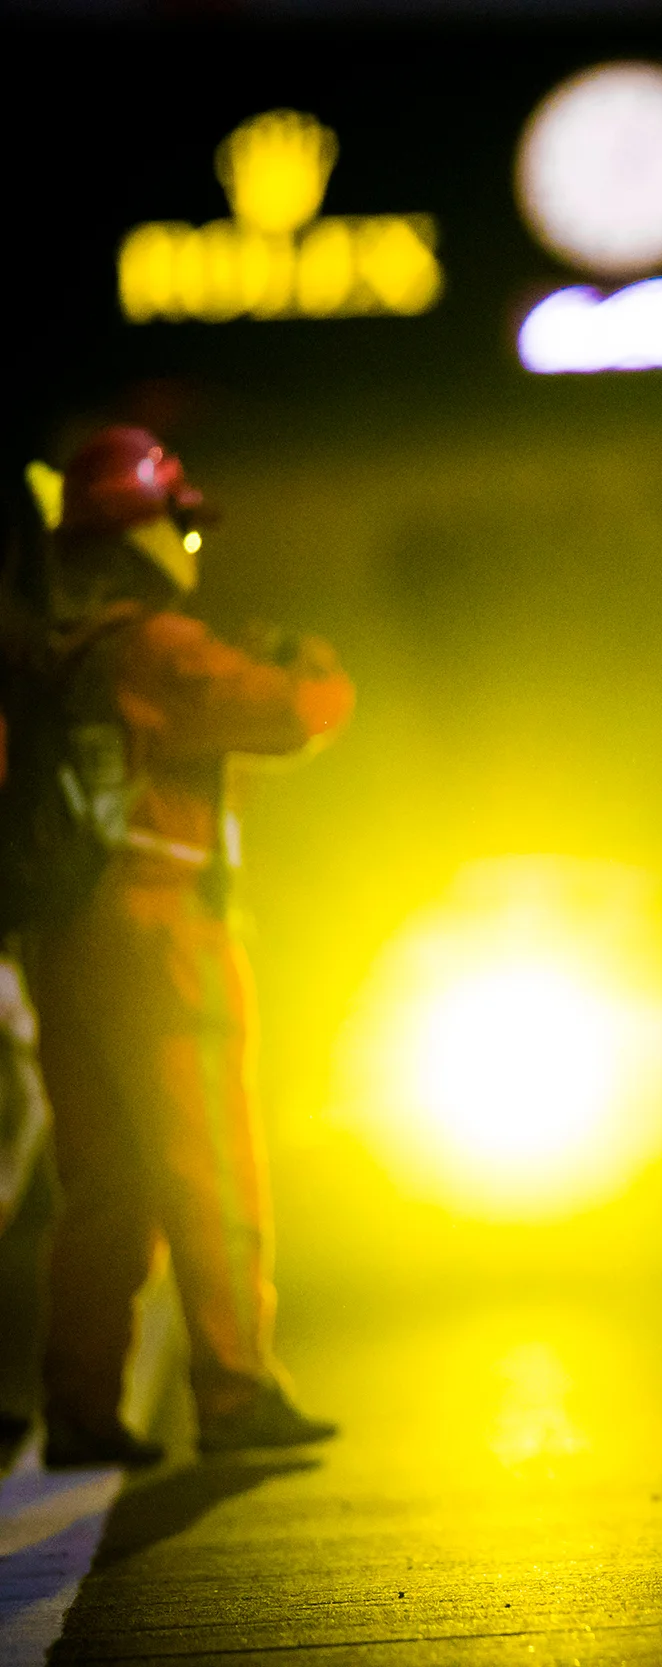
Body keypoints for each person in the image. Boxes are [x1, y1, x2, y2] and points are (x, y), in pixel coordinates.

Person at [29, 426, 353, 1467]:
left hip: (64, 935)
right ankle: (235, 1388)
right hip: (163, 932)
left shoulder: (56, 663)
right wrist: (309, 664)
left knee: (106, 1184)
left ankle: (81, 1407)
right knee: (208, 1159)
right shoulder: (159, 648)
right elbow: (289, 713)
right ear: (151, 533)